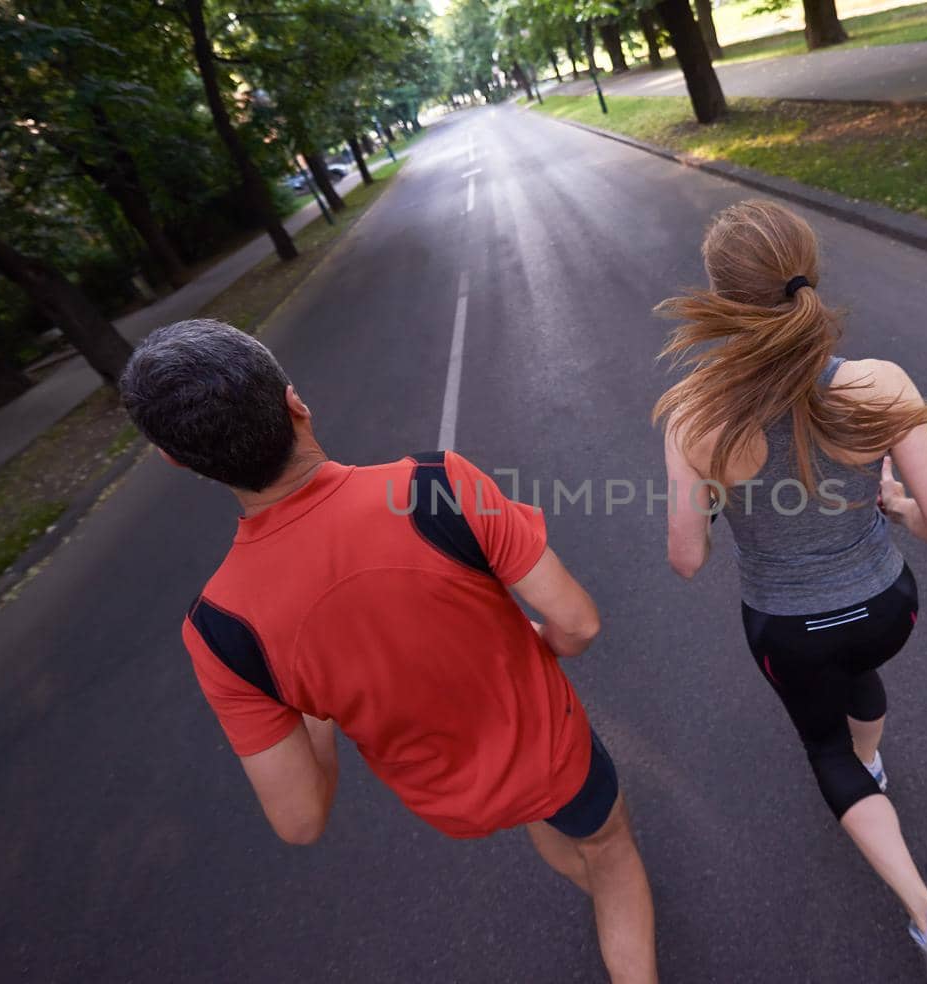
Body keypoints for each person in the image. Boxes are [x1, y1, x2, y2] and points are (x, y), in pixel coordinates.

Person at [120, 319, 657, 984]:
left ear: (179, 460)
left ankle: (599, 892)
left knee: (542, 821)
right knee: (611, 851)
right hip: (553, 749)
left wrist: (305, 703)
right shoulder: (435, 485)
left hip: (456, 798)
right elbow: (578, 622)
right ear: (295, 402)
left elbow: (300, 818)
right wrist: (544, 644)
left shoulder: (220, 629)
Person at [653, 201, 927, 984]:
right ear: (808, 273)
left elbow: (686, 559)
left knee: (823, 747)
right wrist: (895, 505)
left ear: (719, 297)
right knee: (855, 674)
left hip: (787, 628)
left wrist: (708, 498)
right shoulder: (878, 382)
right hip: (886, 609)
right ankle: (871, 766)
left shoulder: (695, 419)